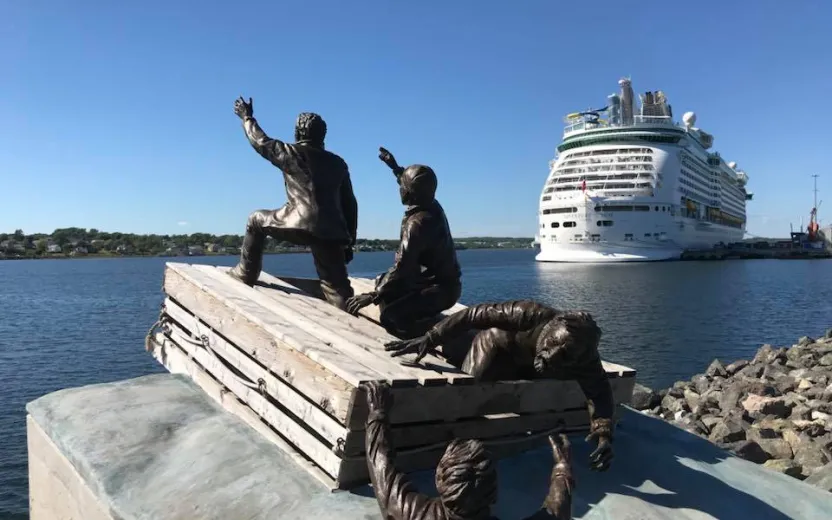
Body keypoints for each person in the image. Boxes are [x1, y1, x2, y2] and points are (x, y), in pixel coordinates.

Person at [384, 301, 615, 472]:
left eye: (565, 356)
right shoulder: (530, 314)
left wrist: (603, 433)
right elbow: (473, 314)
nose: (553, 355)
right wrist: (431, 337)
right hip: (493, 348)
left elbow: (600, 391)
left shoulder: (585, 357)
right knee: (466, 395)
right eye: (552, 343)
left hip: (521, 368)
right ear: (552, 327)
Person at [363, 380, 575, 520]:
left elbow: (382, 469)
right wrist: (561, 467)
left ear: (439, 480)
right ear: (494, 493)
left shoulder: (414, 513)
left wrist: (378, 414)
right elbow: (557, 509)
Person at [228, 97, 358, 309]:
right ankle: (352, 318)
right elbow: (350, 204)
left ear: (298, 133)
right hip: (331, 232)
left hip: (296, 223)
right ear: (322, 136)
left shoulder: (290, 152)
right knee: (338, 290)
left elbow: (260, 141)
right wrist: (349, 240)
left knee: (255, 219)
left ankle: (245, 272)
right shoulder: (338, 163)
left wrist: (246, 117)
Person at [345, 147, 461, 338]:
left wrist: (373, 296)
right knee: (383, 284)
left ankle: (425, 337)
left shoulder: (417, 224)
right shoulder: (431, 204)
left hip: (440, 291)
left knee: (391, 317)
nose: (400, 187)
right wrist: (395, 168)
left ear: (409, 192)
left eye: (403, 185)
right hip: (437, 283)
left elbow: (403, 267)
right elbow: (416, 184)